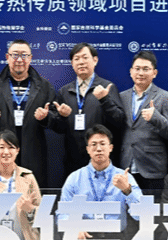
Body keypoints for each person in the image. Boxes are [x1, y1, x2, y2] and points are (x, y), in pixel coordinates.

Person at [59, 125, 142, 240]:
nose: (98, 149)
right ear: (87, 149)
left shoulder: (124, 177)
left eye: (103, 144)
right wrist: (73, 227)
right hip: (85, 237)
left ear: (111, 148)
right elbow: (62, 213)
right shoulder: (75, 178)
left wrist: (127, 190)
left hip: (115, 238)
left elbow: (141, 214)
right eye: (94, 144)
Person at [0, 39, 56, 185]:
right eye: (15, 55)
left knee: (31, 194)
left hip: (33, 152)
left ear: (30, 58)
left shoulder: (45, 86)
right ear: (7, 57)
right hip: (3, 152)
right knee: (1, 193)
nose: (19, 59)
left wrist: (46, 117)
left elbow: (56, 121)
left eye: (24, 55)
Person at [50, 43, 125, 181]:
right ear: (72, 63)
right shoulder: (64, 92)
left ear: (95, 60)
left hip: (101, 158)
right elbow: (58, 128)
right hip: (73, 159)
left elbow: (119, 120)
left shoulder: (107, 87)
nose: (81, 62)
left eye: (85, 57)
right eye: (77, 58)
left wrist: (104, 100)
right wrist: (62, 117)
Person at [119, 50, 168, 190]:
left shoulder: (165, 97)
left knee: (153, 204)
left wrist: (155, 117)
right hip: (126, 166)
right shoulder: (122, 97)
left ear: (154, 73)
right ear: (131, 72)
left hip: (152, 167)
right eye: (137, 68)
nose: (141, 73)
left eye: (146, 69)